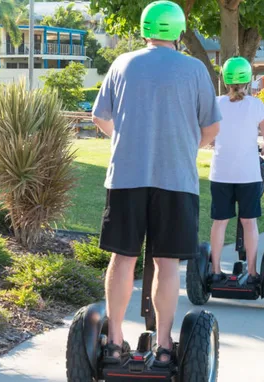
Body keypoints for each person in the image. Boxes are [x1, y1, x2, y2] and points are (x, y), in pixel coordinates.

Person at [91, 0, 220, 369]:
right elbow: (211, 129)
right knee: (166, 264)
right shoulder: (195, 70)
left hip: (127, 178)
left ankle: (114, 342)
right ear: (179, 31)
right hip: (176, 180)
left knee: (123, 257)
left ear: (145, 29)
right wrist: (182, 146)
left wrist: (126, 138)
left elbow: (100, 117)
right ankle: (164, 346)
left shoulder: (122, 64)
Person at [209, 57, 264, 281]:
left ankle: (215, 271)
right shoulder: (256, 105)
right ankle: (253, 271)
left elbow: (210, 135)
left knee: (220, 222)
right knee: (249, 222)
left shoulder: (216, 103)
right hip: (248, 174)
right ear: (248, 79)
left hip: (221, 173)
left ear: (225, 79)